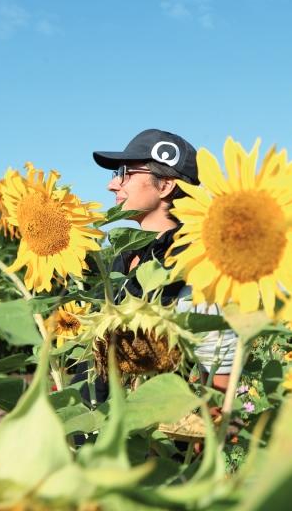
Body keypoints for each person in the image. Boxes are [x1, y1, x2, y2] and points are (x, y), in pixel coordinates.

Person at [89, 128, 236, 393]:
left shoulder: (192, 260)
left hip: (150, 430)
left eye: (126, 173)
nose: (112, 184)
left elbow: (218, 382)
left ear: (166, 185)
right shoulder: (121, 259)